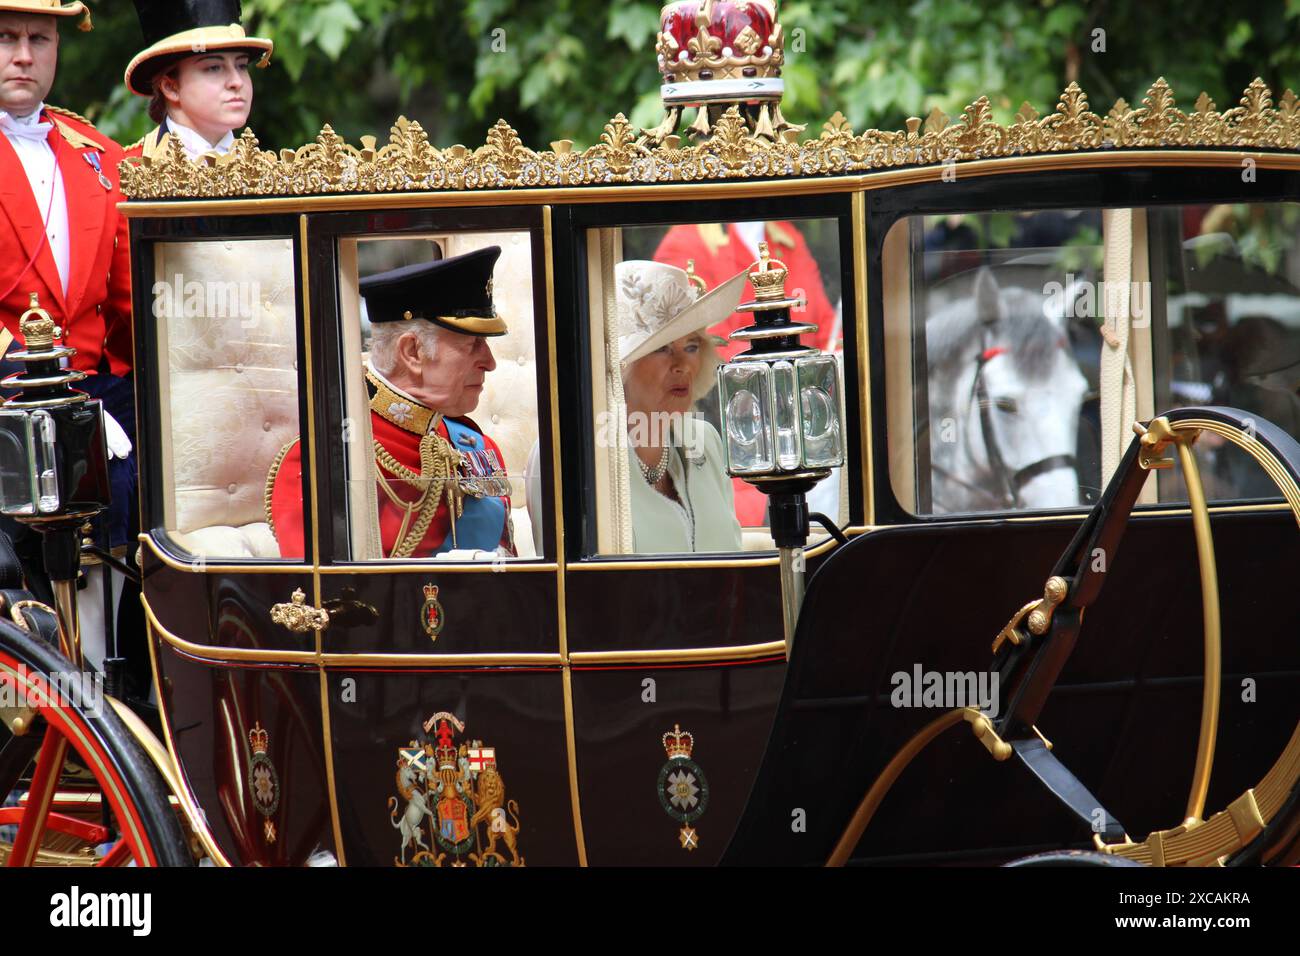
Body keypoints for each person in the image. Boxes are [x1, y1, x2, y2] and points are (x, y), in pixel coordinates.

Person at [0, 0, 140, 677]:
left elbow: (125, 306)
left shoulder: (97, 156)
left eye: (38, 39)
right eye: (5, 38)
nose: (23, 54)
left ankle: (117, 686)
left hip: (91, 384)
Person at [268, 248, 517, 560]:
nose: (490, 363)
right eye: (471, 345)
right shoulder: (323, 460)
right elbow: (325, 597)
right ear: (412, 352)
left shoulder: (477, 447)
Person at [616, 260, 746, 553]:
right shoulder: (585, 460)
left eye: (691, 346)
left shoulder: (706, 441)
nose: (683, 365)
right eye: (662, 348)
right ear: (620, 366)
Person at [124, 0, 273, 161]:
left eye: (242, 66)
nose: (237, 82)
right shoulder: (125, 173)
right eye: (214, 67)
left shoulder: (273, 178)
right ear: (170, 87)